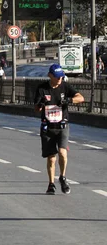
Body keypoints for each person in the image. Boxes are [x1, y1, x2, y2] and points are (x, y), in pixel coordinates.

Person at [34, 63, 84, 195]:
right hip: (48, 127)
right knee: (51, 158)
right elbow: (36, 108)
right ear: (50, 75)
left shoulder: (65, 86)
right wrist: (41, 103)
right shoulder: (42, 88)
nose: (60, 79)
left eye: (61, 76)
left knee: (62, 152)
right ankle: (51, 184)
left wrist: (69, 100)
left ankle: (62, 177)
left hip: (62, 125)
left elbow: (81, 98)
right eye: (57, 77)